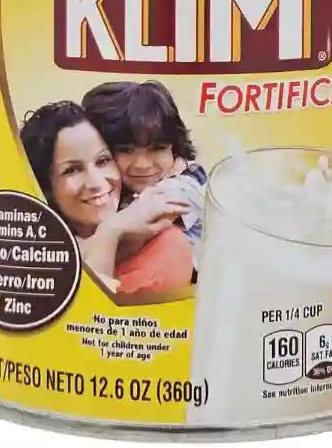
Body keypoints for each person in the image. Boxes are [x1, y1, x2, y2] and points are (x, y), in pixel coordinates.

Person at [19, 101, 193, 296]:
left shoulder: (165, 247)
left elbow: (94, 310)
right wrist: (109, 233)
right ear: (46, 187)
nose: (96, 182)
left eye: (103, 161)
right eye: (72, 170)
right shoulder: (35, 255)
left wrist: (109, 233)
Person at [81, 81, 206, 278]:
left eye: (157, 148)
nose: (142, 164)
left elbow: (124, 244)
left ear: (174, 147)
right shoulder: (109, 190)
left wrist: (108, 233)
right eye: (126, 150)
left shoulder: (186, 184)